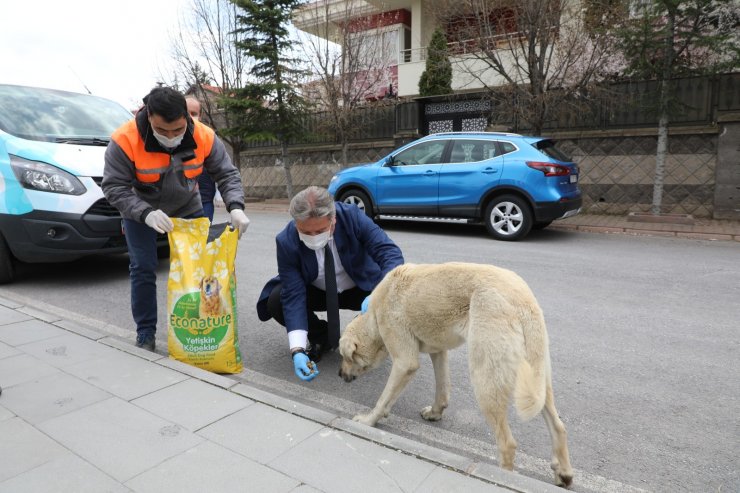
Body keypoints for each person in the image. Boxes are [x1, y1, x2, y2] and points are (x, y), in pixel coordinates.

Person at [103, 86, 250, 351]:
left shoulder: (204, 135)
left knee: (199, 268)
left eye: (178, 130)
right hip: (141, 211)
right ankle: (146, 333)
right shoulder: (124, 139)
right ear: (149, 118)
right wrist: (145, 213)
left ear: (186, 118)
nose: (171, 137)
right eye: (162, 131)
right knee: (144, 268)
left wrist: (236, 206)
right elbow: (114, 188)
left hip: (187, 206)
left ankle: (198, 329)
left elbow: (226, 174)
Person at [256, 186, 404, 381]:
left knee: (398, 290)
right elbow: (293, 293)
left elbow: (389, 252)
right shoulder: (286, 240)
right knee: (277, 300)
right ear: (296, 223)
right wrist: (297, 349)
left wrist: (379, 295)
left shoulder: (352, 217)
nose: (313, 237)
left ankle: (376, 336)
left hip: (361, 288)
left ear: (333, 219)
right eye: (305, 231)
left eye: (320, 230)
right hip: (319, 290)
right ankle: (320, 336)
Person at [186, 96, 218, 222]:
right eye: (186, 112)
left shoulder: (208, 138)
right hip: (180, 207)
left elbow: (223, 170)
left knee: (202, 239)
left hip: (205, 202)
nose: (189, 117)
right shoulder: (171, 138)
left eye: (194, 113)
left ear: (199, 116)